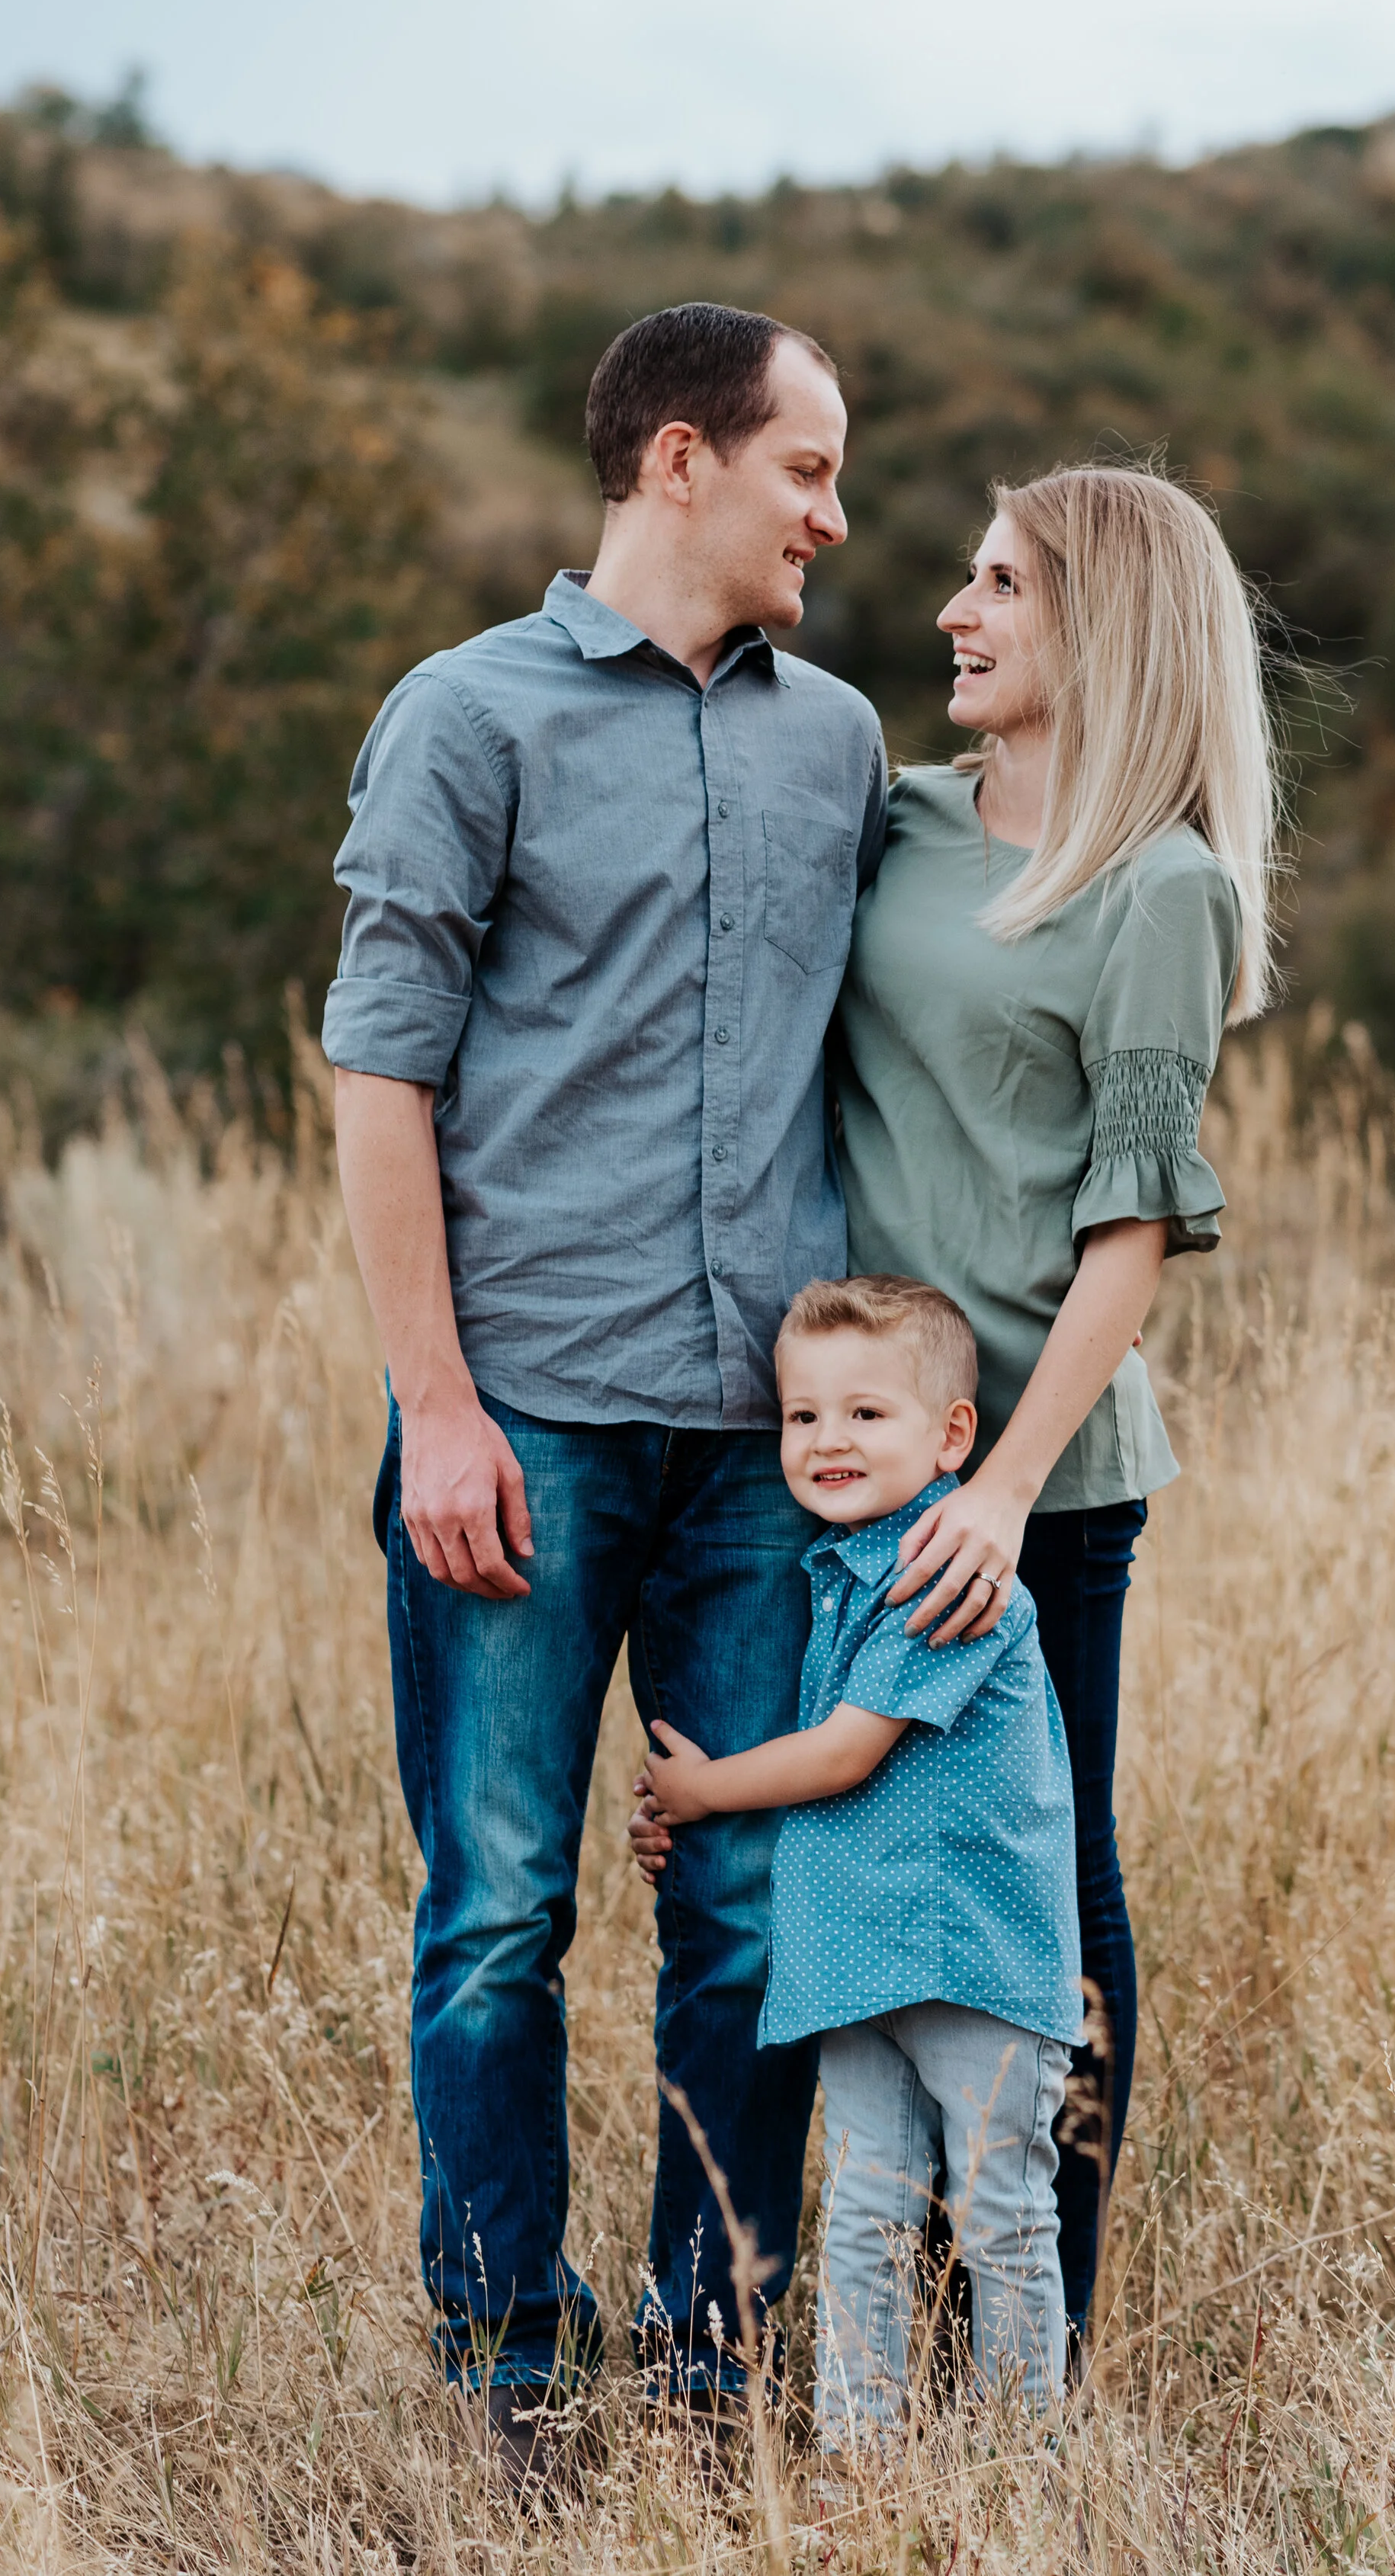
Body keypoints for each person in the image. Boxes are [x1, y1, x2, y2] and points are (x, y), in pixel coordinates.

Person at [323, 301, 887, 2480]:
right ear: (679, 459)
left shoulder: (834, 742)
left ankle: (715, 2368)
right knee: (494, 1910)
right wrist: (435, 1407)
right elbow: (380, 1074)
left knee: (744, 1912)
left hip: (767, 1445)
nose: (834, 516)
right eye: (807, 470)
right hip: (525, 1422)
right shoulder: (464, 718)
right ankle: (504, 2383)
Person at [831, 465, 1280, 2337]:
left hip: (1039, 1490)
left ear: (1103, 627)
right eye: (968, 576)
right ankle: (870, 2300)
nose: (955, 606)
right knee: (866, 1876)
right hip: (856, 1463)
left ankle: (1029, 2328)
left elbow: (1134, 1229)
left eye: (1002, 583)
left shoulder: (1158, 888)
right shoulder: (899, 827)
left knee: (1037, 1886)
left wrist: (1001, 1493)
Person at [635, 1276, 1082, 2446]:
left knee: (999, 2214)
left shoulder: (952, 1575)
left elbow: (841, 1756)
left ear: (950, 1436)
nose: (829, 1439)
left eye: (865, 1414)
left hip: (974, 1952)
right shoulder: (827, 1579)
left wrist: (703, 1791)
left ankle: (1023, 2460)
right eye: (803, 1416)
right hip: (856, 1955)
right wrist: (691, 1817)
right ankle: (859, 2454)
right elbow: (808, 1768)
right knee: (870, 2209)